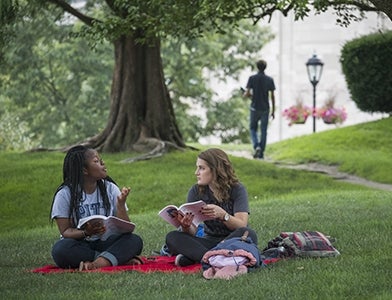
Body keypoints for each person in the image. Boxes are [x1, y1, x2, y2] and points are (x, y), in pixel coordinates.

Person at [50, 145, 143, 271]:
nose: (103, 163)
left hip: (107, 242)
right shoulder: (65, 194)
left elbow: (126, 229)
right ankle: (111, 259)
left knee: (134, 241)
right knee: (60, 250)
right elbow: (65, 231)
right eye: (96, 161)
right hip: (80, 244)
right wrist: (86, 233)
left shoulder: (110, 188)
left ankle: (96, 263)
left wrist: (120, 205)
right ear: (84, 170)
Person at [165, 148, 258, 267]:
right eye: (197, 167)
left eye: (202, 168)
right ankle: (217, 258)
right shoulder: (196, 191)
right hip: (208, 241)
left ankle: (200, 258)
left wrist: (223, 215)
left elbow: (241, 224)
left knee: (248, 233)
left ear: (215, 170)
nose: (196, 172)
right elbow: (193, 232)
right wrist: (186, 226)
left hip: (234, 240)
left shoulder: (237, 189)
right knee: (172, 237)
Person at [243, 59, 276, 159]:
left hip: (254, 107)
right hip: (265, 108)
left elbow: (247, 93)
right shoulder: (270, 80)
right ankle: (261, 153)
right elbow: (272, 96)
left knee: (253, 128)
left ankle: (256, 146)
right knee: (264, 130)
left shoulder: (252, 78)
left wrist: (245, 94)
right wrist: (273, 110)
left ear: (257, 67)